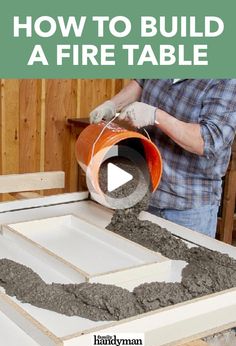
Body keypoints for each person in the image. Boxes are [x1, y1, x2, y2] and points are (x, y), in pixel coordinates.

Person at [89, 79, 236, 237]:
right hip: (142, 191)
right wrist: (113, 104)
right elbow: (142, 81)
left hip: (186, 207)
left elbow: (209, 140)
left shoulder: (226, 78)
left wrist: (156, 116)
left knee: (183, 261)